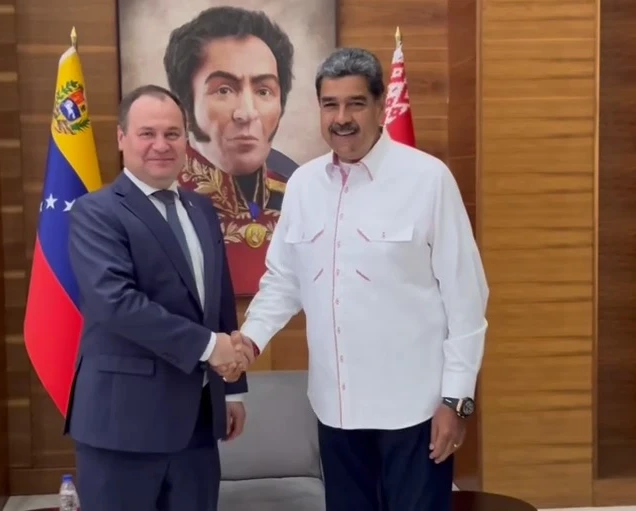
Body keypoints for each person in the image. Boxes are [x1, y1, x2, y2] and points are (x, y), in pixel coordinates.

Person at [234, 48, 489, 510]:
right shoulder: (304, 185)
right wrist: (248, 341)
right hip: (336, 412)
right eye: (330, 104)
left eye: (355, 103)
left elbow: (466, 299)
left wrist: (457, 400)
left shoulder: (428, 180)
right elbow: (284, 280)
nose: (342, 118)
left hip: (415, 414)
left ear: (379, 104)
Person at [64, 84, 254, 511]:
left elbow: (219, 300)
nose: (161, 145)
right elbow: (115, 302)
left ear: (186, 139)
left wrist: (232, 390)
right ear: (122, 138)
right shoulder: (96, 212)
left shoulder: (202, 210)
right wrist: (210, 348)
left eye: (172, 133)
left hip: (198, 425)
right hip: (122, 426)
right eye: (147, 133)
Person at [163, 6, 298, 295]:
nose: (247, 113)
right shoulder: (159, 199)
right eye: (224, 90)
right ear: (184, 104)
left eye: (264, 91)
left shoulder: (298, 195)